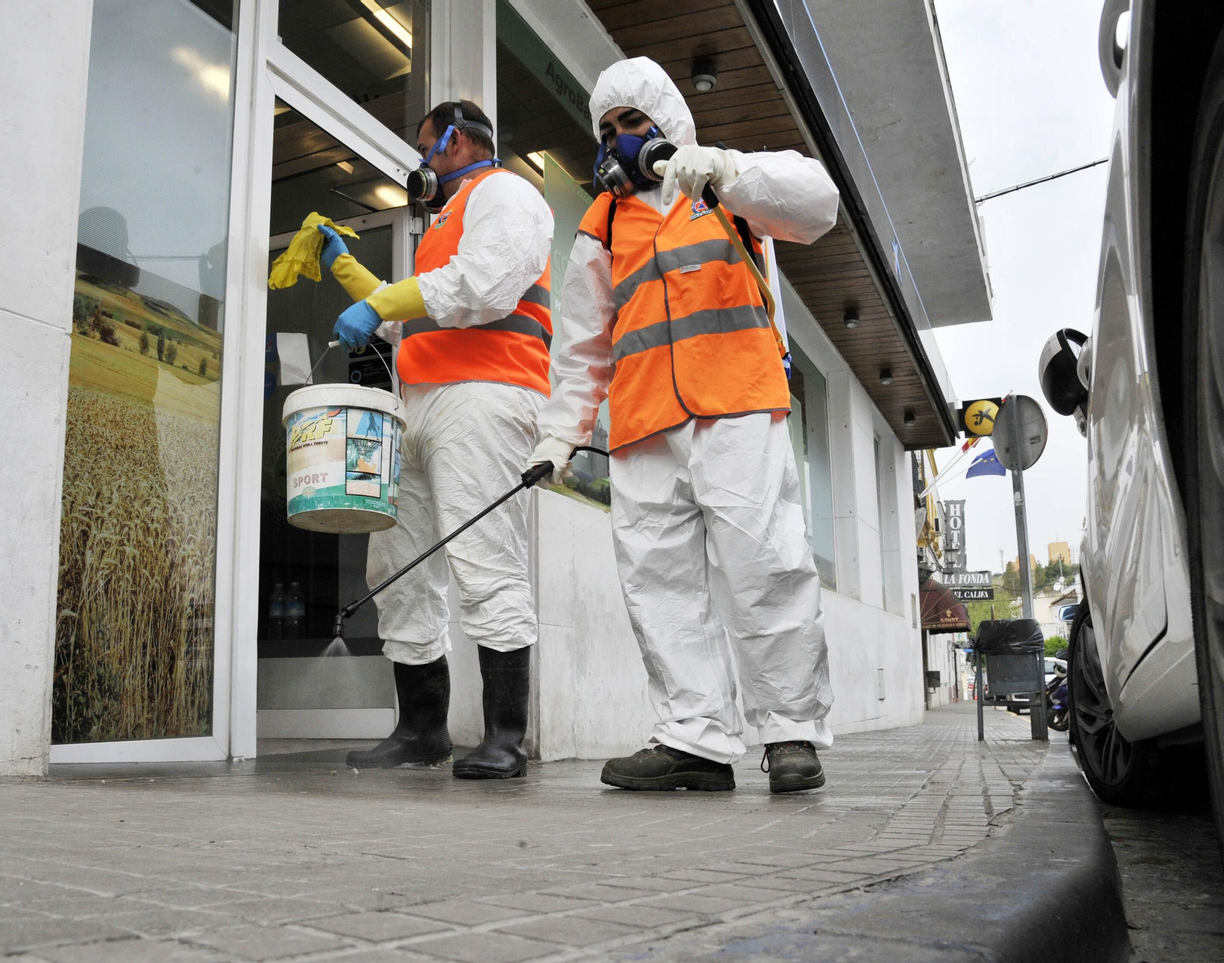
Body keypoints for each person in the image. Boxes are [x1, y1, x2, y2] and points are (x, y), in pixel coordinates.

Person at [528, 57, 840, 793]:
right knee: (658, 586)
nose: (618, 140)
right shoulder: (602, 223)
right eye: (606, 129)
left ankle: (789, 731)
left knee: (764, 567)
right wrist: (560, 434)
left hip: (735, 405)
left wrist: (727, 169)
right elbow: (582, 347)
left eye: (631, 122)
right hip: (643, 428)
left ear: (667, 120)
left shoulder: (725, 189)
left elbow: (818, 203)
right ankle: (694, 738)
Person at [318, 100, 553, 780]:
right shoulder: (441, 225)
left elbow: (483, 285)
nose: (421, 162)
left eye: (426, 147)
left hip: (486, 396)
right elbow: (415, 317)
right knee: (395, 566)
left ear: (456, 140)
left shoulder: (507, 193)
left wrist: (383, 301)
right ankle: (422, 728)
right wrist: (349, 275)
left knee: (485, 560)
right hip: (421, 402)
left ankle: (505, 735)